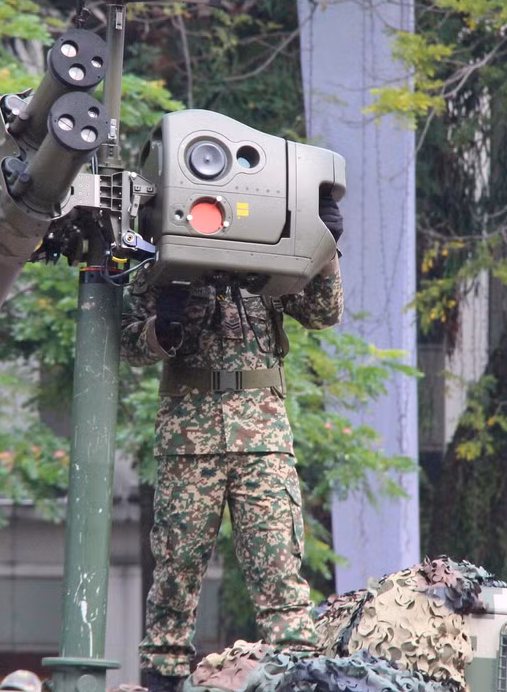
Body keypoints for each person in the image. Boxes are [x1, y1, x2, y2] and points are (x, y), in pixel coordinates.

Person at [121, 191, 345, 692]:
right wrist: (163, 328)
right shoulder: (165, 252)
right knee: (175, 574)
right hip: (189, 437)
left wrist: (325, 246)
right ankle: (163, 677)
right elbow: (126, 340)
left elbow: (322, 312)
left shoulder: (268, 250)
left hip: (261, 435)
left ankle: (295, 675)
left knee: (279, 570)